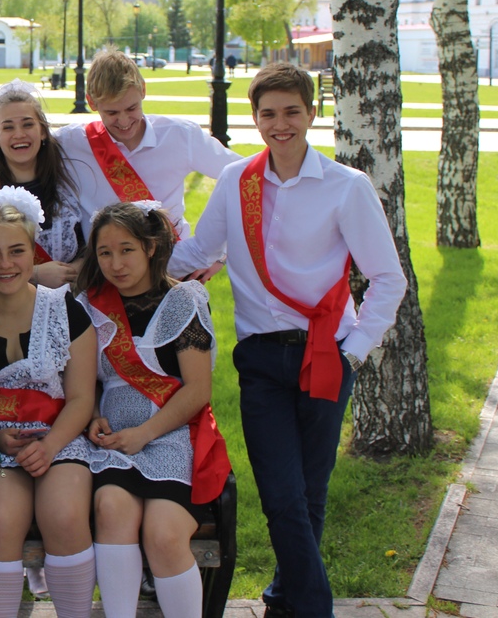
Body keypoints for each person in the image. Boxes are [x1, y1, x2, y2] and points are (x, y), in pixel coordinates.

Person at [168, 62, 407, 618]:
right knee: (280, 494)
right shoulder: (237, 182)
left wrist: (354, 352)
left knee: (309, 492)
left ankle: (283, 599)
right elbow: (199, 252)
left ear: (312, 113)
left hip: (326, 355)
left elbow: (388, 278)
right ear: (255, 118)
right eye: (269, 114)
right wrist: (124, 262)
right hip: (261, 360)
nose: (281, 124)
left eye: (292, 112)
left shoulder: (347, 187)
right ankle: (314, 608)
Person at [77, 201, 232, 618]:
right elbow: (82, 382)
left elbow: (198, 390)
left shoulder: (184, 300)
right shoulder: (88, 305)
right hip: (112, 443)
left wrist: (145, 433)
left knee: (163, 535)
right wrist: (91, 415)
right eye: (105, 252)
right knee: (111, 509)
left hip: (173, 437)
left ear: (150, 247)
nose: (115, 263)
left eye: (126, 249)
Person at [0, 186, 98, 618]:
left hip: (60, 439)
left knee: (65, 515)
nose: (6, 264)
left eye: (17, 251)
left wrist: (49, 446)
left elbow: (81, 397)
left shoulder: (67, 310)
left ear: (34, 253)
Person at [0, 48, 237, 246]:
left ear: (143, 90)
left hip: (171, 269)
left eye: (131, 108)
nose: (124, 121)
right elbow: (25, 143)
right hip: (104, 279)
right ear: (91, 102)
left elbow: (242, 176)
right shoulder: (73, 141)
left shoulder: (181, 135)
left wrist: (218, 254)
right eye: (111, 112)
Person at [0, 79, 83, 288]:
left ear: (43, 132)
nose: (19, 134)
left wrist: (74, 272)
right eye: (8, 127)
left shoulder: (68, 184)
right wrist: (34, 274)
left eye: (28, 124)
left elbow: (86, 248)